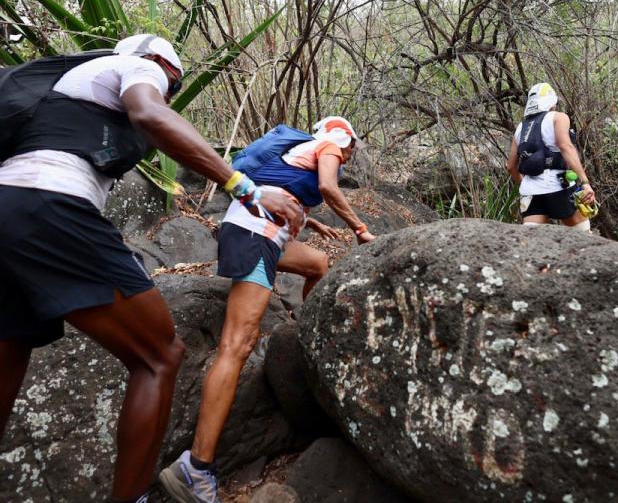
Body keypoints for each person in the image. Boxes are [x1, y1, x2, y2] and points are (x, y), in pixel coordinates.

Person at [0, 34, 303, 503]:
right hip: (51, 204)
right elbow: (148, 112)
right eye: (174, 85)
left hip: (9, 208)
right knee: (160, 356)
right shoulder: (140, 67)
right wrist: (244, 187)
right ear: (162, 63)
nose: (170, 91)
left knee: (10, 349)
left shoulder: (56, 86)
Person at [159, 116, 374, 503]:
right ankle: (196, 467)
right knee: (237, 345)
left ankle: (309, 332)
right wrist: (359, 228)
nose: (349, 158)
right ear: (344, 139)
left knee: (317, 265)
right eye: (351, 152)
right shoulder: (330, 146)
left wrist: (311, 226)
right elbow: (326, 185)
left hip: (256, 232)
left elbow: (285, 188)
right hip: (257, 236)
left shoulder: (300, 148)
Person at [506, 82, 596, 229]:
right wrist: (585, 182)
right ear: (551, 101)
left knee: (531, 242)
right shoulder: (559, 117)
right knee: (583, 237)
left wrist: (526, 184)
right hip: (559, 189)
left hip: (530, 193)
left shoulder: (521, 128)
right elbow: (565, 147)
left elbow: (510, 166)